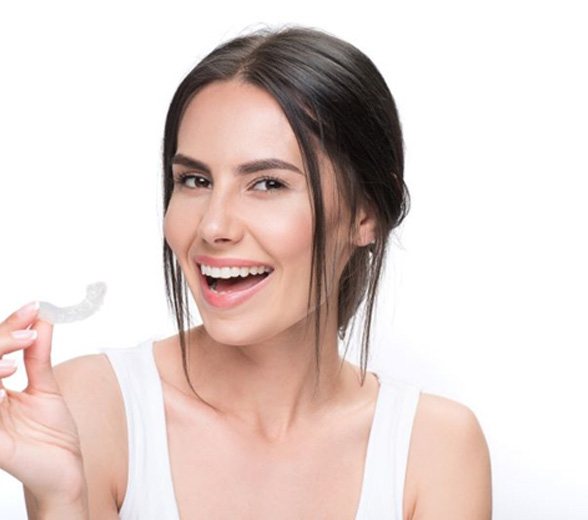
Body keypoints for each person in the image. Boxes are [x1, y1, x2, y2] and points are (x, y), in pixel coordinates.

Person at [0, 26, 491, 519]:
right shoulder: (92, 406)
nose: (213, 226)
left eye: (268, 183)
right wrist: (61, 500)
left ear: (365, 214)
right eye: (194, 180)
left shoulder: (434, 449)